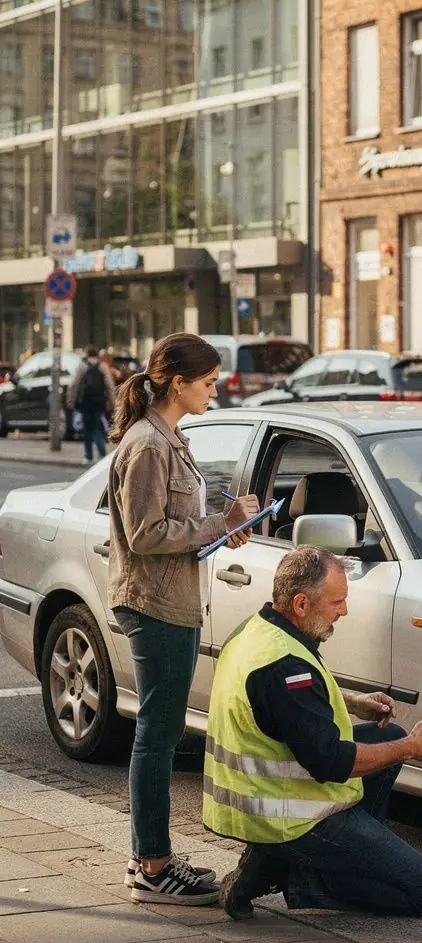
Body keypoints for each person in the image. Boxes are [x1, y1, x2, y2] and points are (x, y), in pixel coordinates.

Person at [208, 546, 422, 920]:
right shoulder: (286, 665)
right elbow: (332, 761)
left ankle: (309, 857)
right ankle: (292, 875)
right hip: (287, 818)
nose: (344, 611)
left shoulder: (258, 631)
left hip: (264, 800)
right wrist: (410, 747)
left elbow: (285, 704)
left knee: (382, 738)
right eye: (336, 602)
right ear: (301, 603)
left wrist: (353, 702)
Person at [108, 333, 259, 906]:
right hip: (153, 602)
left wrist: (225, 524)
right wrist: (218, 525)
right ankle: (153, 868)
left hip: (171, 596)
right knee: (158, 736)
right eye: (209, 381)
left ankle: (148, 858)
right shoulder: (147, 444)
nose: (214, 392)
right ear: (178, 383)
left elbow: (177, 526)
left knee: (161, 733)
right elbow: (146, 534)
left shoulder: (170, 437)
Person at [67, 345, 116, 465]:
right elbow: (110, 386)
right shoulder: (103, 366)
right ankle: (102, 454)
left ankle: (88, 456)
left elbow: (74, 385)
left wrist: (71, 402)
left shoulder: (82, 366)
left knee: (87, 429)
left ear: (87, 354)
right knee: (97, 428)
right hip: (99, 402)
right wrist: (112, 403)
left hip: (85, 402)